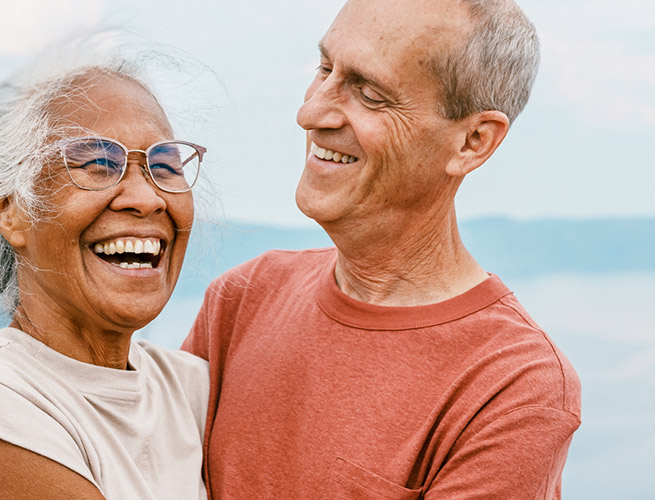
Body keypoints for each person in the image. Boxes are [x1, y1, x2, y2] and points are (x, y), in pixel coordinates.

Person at [182, 0, 580, 498]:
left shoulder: (512, 384)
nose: (310, 113)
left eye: (369, 94)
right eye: (324, 69)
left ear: (473, 141)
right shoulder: (244, 298)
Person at [0, 34, 209, 500]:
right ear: (10, 210)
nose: (147, 198)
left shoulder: (191, 389)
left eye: (164, 165)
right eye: (99, 163)